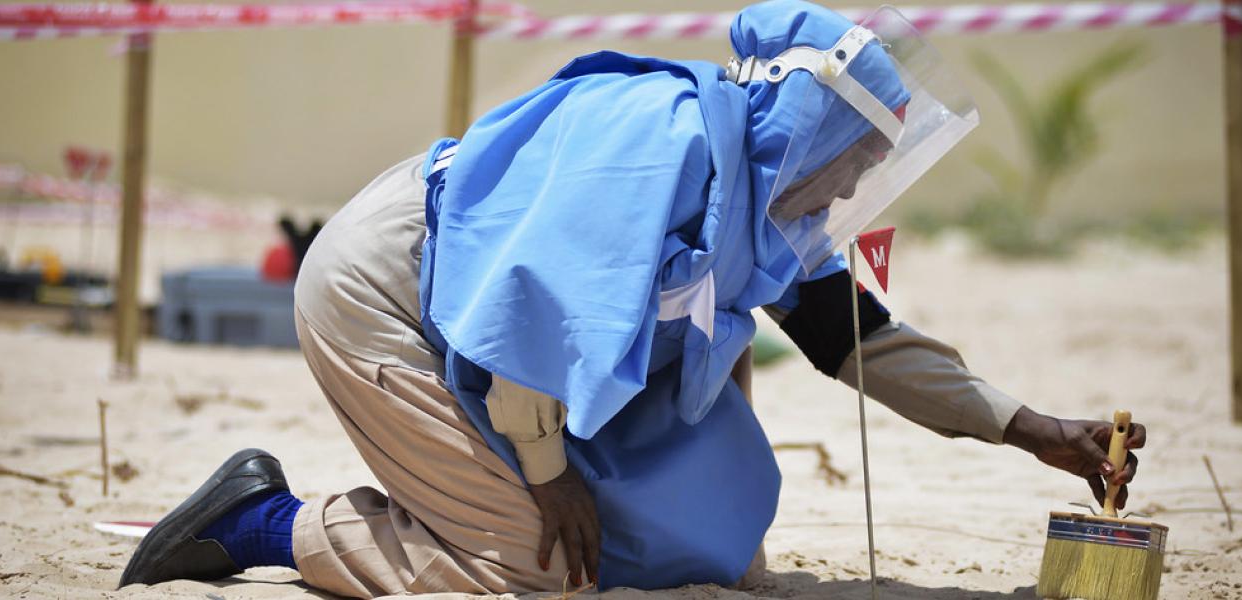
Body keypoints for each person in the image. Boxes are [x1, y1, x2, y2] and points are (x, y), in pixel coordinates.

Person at [118, 0, 1146, 596]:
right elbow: (530, 298)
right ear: (806, 122)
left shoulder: (763, 198)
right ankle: (265, 520)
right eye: (851, 160)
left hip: (487, 332)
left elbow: (851, 338)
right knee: (524, 566)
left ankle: (460, 502)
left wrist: (1027, 429)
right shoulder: (661, 144)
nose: (848, 188)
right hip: (386, 296)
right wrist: (545, 467)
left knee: (667, 536)